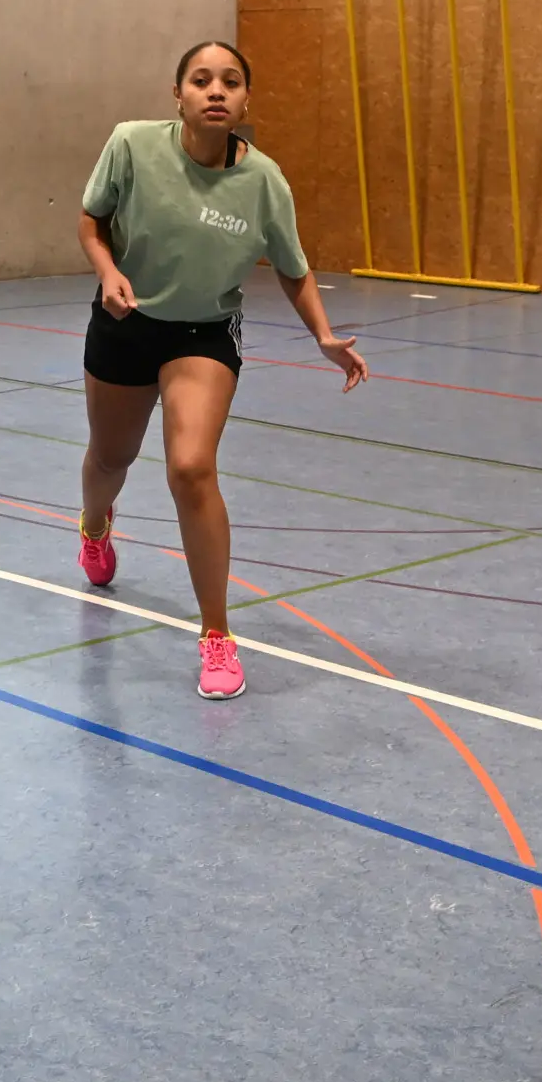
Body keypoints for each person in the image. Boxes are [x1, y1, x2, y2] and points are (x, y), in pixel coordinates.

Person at [74, 41, 370, 700]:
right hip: (124, 322)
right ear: (175, 93)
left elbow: (293, 268)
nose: (216, 91)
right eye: (201, 80)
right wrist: (110, 271)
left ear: (245, 100)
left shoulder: (264, 181)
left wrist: (323, 336)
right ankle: (95, 528)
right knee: (110, 460)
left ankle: (216, 636)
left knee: (191, 467)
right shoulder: (130, 145)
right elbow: (91, 223)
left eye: (230, 82)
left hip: (203, 332)